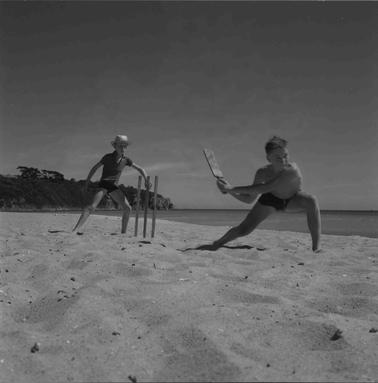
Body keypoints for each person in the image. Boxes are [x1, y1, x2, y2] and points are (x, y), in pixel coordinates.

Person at [197, 136, 321, 252]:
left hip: (292, 200)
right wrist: (229, 191)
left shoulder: (292, 170)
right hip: (270, 200)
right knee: (244, 229)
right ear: (269, 158)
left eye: (286, 155)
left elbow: (266, 187)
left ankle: (316, 249)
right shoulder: (262, 172)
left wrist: (231, 188)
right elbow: (249, 199)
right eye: (278, 157)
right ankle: (218, 243)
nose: (284, 160)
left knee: (311, 201)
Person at [73, 135, 150, 234]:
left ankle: (123, 233)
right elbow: (94, 168)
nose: (123, 148)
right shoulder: (107, 157)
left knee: (128, 208)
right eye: (120, 146)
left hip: (113, 187)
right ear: (115, 146)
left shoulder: (126, 160)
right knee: (92, 206)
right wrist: (87, 182)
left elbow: (141, 169)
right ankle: (75, 230)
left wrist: (146, 179)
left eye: (124, 146)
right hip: (104, 184)